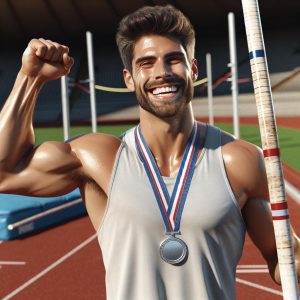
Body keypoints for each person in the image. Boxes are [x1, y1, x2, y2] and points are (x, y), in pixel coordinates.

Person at [0, 4, 299, 300]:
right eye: (146, 63)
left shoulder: (239, 161)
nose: (162, 73)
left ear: (193, 70)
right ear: (129, 79)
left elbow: (283, 258)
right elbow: (5, 172)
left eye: (173, 60)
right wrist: (30, 79)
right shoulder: (99, 159)